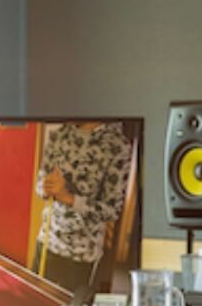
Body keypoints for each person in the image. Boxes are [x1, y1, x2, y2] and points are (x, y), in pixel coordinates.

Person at [34, 121, 134, 292]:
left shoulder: (118, 146)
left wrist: (68, 197)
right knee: (37, 303)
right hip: (47, 243)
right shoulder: (60, 134)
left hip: (82, 254)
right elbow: (40, 185)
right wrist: (45, 188)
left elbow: (111, 210)